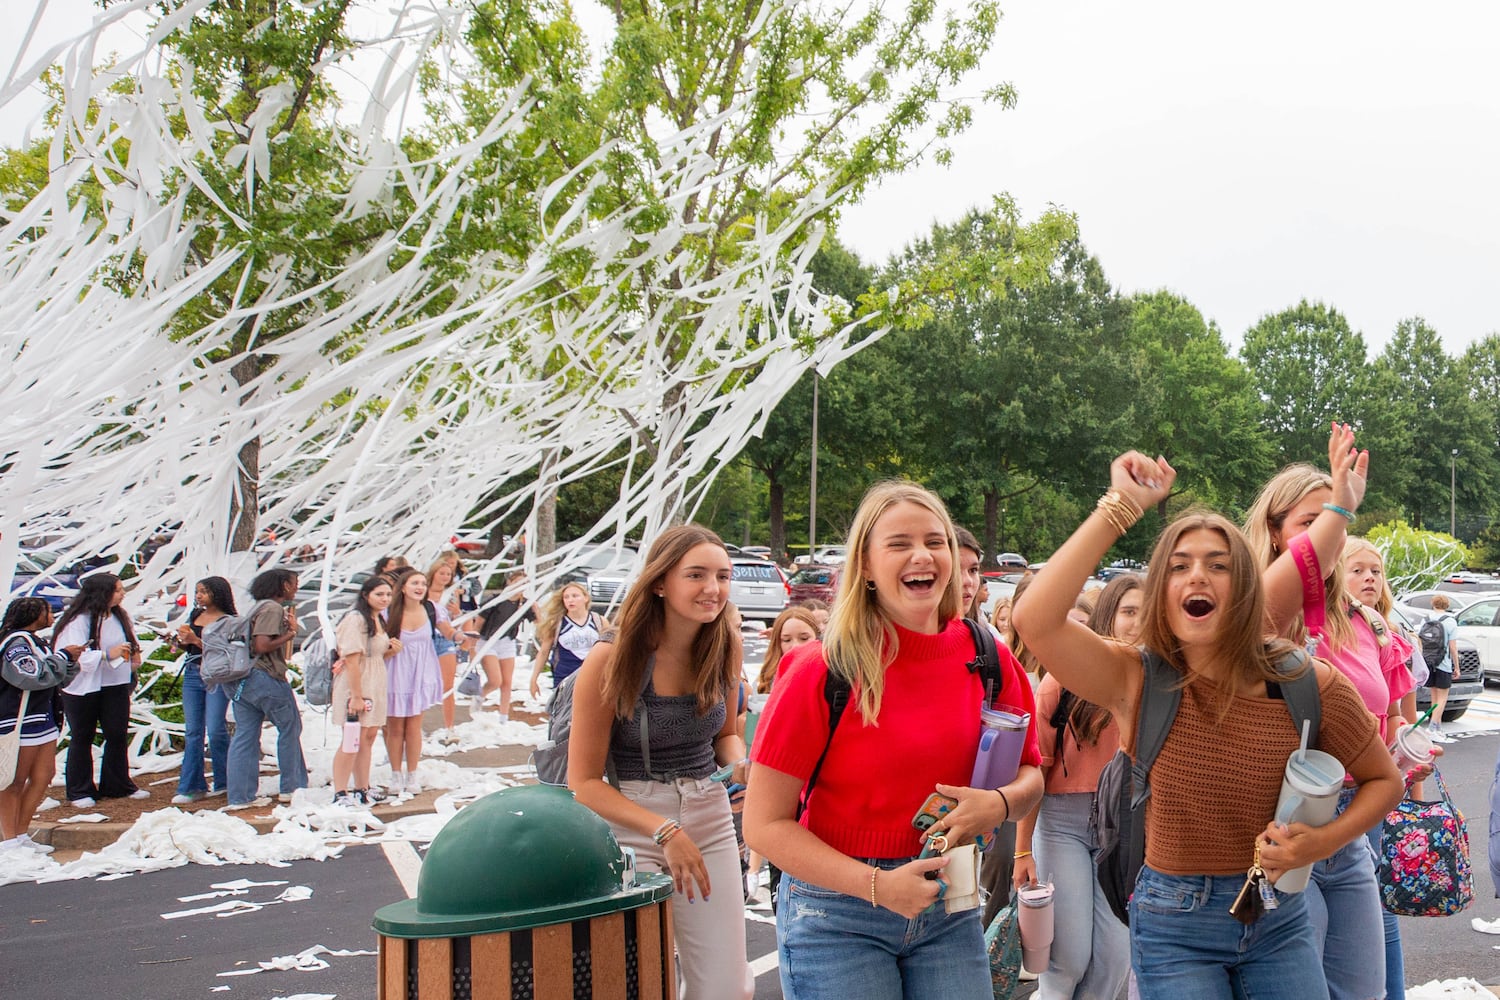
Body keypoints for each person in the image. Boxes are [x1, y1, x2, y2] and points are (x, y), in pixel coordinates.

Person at [1012, 451, 1402, 1000]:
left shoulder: (1305, 681)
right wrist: (1120, 507)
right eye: (1179, 565)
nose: (1198, 574)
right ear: (1161, 594)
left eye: (1219, 565)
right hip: (1173, 926)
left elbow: (1386, 781)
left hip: (1278, 918)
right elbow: (1035, 620)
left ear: (1247, 590)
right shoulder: (1135, 679)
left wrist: (1318, 844)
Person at [744, 481, 1044, 1000]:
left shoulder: (989, 658)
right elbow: (763, 826)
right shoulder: (820, 669)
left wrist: (996, 804)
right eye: (899, 543)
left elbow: (1032, 774)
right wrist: (879, 887)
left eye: (936, 541)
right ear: (864, 564)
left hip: (949, 904)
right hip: (836, 913)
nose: (921, 555)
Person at [567, 525, 753, 999]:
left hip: (708, 813)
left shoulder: (725, 646)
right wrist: (664, 830)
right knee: (639, 981)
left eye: (722, 576)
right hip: (630, 817)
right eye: (696, 575)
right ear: (659, 582)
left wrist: (741, 764)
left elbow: (727, 735)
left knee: (727, 985)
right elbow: (583, 782)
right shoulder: (611, 658)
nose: (713, 589)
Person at [1013, 574, 1141, 1000]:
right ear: (1109, 616)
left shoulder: (1161, 684)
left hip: (1124, 831)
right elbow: (1034, 768)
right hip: (1062, 824)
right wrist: (1022, 850)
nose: (1138, 623)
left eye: (1146, 612)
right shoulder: (1062, 680)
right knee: (1067, 960)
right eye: (1128, 612)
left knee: (1116, 959)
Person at [53, 574, 148, 807]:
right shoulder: (78, 621)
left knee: (116, 733)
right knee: (82, 736)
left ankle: (117, 784)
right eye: (117, 590)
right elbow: (76, 656)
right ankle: (80, 790)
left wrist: (132, 653)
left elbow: (128, 644)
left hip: (115, 683)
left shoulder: (118, 616)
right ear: (102, 593)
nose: (122, 594)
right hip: (83, 688)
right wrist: (106, 654)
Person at [226, 568, 309, 810]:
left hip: (242, 681)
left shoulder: (256, 607)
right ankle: (291, 787)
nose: (296, 587)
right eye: (294, 583)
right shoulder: (272, 609)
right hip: (266, 677)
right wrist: (291, 633)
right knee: (290, 728)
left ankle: (240, 795)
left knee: (245, 735)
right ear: (283, 585)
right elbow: (262, 645)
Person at [1, 598, 81, 849]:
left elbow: (55, 678)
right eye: (47, 610)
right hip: (19, 721)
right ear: (33, 614)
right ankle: (9, 840)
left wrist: (69, 662)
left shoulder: (38, 642)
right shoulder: (16, 643)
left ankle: (22, 834)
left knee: (44, 775)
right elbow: (31, 675)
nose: (52, 614)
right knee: (13, 781)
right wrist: (63, 656)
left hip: (43, 719)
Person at [331, 575, 398, 807]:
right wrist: (356, 696)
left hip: (375, 682)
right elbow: (352, 659)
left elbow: (373, 654)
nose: (385, 599)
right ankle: (340, 792)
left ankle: (362, 787)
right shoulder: (356, 619)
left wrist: (390, 651)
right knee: (352, 738)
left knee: (368, 737)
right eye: (379, 594)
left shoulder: (378, 619)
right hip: (356, 684)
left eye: (388, 594)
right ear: (365, 595)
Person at [169, 576, 237, 804]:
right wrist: (178, 642)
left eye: (204, 592)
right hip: (192, 673)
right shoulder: (196, 616)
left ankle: (225, 780)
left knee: (216, 728)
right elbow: (188, 645)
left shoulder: (229, 620)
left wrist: (197, 641)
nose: (199, 596)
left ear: (218, 594)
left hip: (217, 677)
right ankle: (191, 785)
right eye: (197, 591)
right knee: (193, 732)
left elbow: (229, 651)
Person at [383, 569, 443, 795]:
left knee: (414, 728)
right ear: (403, 588)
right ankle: (395, 774)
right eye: (414, 583)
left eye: (422, 583)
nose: (420, 587)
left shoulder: (430, 609)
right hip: (396, 673)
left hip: (421, 674)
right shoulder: (389, 613)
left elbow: (446, 630)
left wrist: (461, 638)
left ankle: (413, 774)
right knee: (395, 728)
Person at [529, 582, 607, 704]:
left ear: (585, 598)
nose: (571, 600)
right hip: (565, 675)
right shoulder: (557, 623)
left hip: (593, 674)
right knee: (564, 712)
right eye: (566, 597)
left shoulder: (599, 620)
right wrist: (534, 679)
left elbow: (609, 648)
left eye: (575, 596)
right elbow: (544, 652)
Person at [473, 571, 534, 722]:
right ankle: (480, 696)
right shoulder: (496, 600)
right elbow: (480, 621)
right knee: (495, 680)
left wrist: (534, 604)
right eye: (517, 582)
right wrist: (472, 641)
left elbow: (538, 620)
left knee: (507, 681)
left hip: (507, 642)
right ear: (509, 582)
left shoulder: (523, 604)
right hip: (488, 641)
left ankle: (503, 717)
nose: (520, 586)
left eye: (524, 584)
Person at [425, 553, 464, 735]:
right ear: (433, 573)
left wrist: (457, 612)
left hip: (446, 639)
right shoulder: (423, 592)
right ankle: (418, 724)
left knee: (448, 684)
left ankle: (450, 727)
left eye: (448, 574)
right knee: (422, 683)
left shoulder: (452, 593)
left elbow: (457, 619)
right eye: (442, 573)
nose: (445, 577)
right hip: (425, 639)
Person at [754, 606, 820, 694]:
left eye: (804, 638)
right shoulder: (769, 676)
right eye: (787, 640)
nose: (795, 646)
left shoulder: (827, 675)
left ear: (817, 637)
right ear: (778, 644)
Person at [1426, 594, 1460, 739]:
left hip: (1429, 661)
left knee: (1434, 696)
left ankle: (1437, 727)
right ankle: (1432, 727)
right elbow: (1453, 647)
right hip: (1443, 663)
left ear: (1433, 604)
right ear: (1447, 605)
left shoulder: (1426, 619)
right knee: (1443, 697)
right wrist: (1456, 666)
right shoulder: (1450, 621)